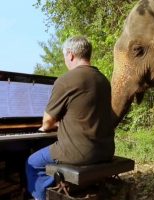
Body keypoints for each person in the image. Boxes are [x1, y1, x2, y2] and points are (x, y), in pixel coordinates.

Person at [26, 35, 115, 200]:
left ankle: (42, 196)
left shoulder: (66, 80)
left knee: (33, 162)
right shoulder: (103, 80)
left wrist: (49, 127)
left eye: (65, 56)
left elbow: (47, 122)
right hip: (105, 150)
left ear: (71, 55)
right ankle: (62, 187)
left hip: (80, 153)